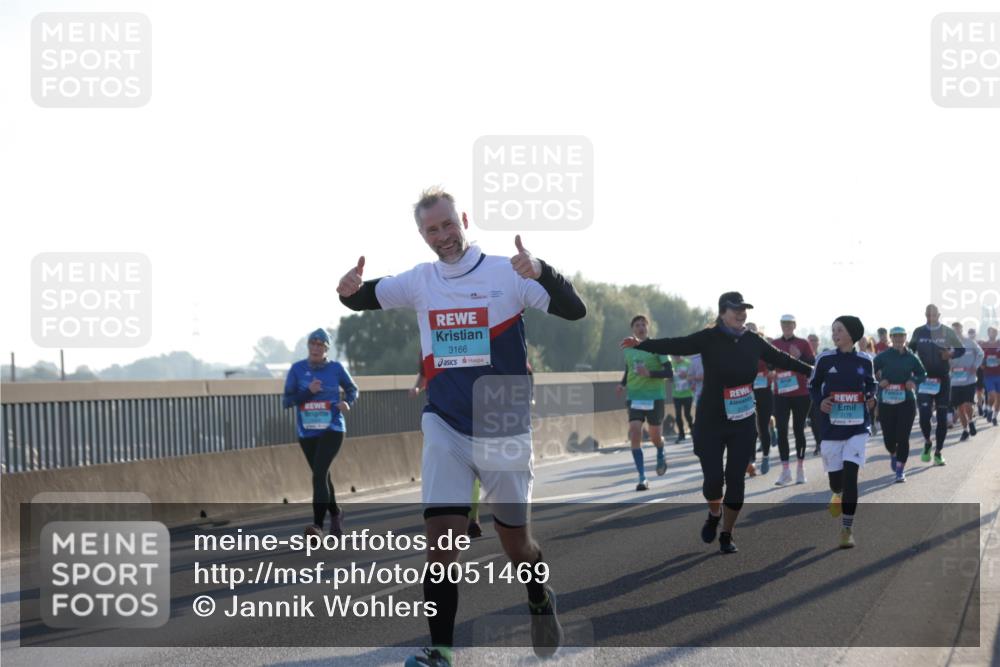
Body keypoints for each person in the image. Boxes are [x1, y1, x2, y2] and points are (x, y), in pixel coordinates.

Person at [338, 187, 585, 666]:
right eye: (432, 229)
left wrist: (543, 270)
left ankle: (538, 595)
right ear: (422, 235)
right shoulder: (420, 281)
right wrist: (347, 292)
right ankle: (442, 650)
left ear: (464, 220)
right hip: (446, 422)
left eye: (449, 224)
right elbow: (363, 298)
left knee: (516, 545)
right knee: (441, 543)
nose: (443, 236)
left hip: (503, 423)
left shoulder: (505, 274)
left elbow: (574, 310)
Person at [621, 292, 812, 554]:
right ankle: (714, 513)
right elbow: (677, 345)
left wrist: (816, 372)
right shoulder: (709, 337)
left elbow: (784, 359)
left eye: (745, 309)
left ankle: (727, 533)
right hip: (711, 420)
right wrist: (642, 343)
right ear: (723, 312)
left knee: (736, 480)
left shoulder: (753, 341)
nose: (742, 313)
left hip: (743, 419)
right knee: (713, 481)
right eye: (736, 310)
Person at [283, 328, 358, 538]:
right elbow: (287, 401)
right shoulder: (297, 369)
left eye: (320, 345)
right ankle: (335, 513)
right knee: (321, 475)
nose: (316, 348)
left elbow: (353, 389)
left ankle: (317, 526)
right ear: (308, 347)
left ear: (326, 349)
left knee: (318, 474)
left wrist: (347, 401)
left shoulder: (335, 368)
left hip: (332, 428)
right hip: (307, 432)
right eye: (312, 344)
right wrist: (309, 392)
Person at [809, 316, 876, 548]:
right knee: (836, 481)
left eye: (840, 330)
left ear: (852, 334)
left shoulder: (865, 360)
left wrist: (870, 397)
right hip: (831, 427)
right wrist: (820, 402)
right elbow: (813, 385)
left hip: (857, 426)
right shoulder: (825, 359)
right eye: (833, 330)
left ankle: (847, 529)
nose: (835, 333)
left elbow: (871, 384)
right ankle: (836, 493)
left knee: (851, 478)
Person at [412, 358, 483, 538]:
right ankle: (457, 521)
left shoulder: (479, 338)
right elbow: (424, 372)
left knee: (473, 471)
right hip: (442, 418)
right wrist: (416, 387)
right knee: (448, 470)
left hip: (475, 415)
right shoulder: (430, 341)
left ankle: (472, 518)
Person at [616, 315, 671, 490]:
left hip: (655, 397)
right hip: (635, 397)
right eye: (637, 325)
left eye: (643, 325)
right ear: (633, 329)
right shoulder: (628, 349)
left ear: (648, 327)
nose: (640, 328)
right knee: (634, 432)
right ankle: (642, 477)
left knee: (655, 436)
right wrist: (622, 384)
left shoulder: (658, 347)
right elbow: (628, 368)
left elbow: (669, 373)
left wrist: (650, 374)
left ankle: (660, 450)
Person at [908, 304, 966, 466]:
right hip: (924, 379)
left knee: (942, 418)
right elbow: (909, 351)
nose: (931, 317)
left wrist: (950, 353)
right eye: (928, 315)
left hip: (943, 379)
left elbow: (961, 349)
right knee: (924, 415)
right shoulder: (919, 331)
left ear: (939, 315)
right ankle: (927, 441)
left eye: (933, 315)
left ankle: (938, 452)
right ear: (925, 315)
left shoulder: (947, 332)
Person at [873, 327, 926, 482]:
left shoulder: (911, 357)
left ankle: (900, 470)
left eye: (901, 336)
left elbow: (922, 373)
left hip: (906, 400)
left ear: (905, 337)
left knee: (903, 437)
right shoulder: (883, 356)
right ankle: (893, 453)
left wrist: (913, 381)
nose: (898, 339)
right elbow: (870, 373)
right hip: (886, 401)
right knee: (889, 438)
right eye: (895, 337)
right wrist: (879, 381)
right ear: (891, 338)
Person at [770, 315, 816, 486]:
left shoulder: (803, 343)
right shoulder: (774, 344)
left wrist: (799, 358)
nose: (787, 326)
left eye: (789, 324)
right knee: (781, 430)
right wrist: (770, 370)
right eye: (784, 324)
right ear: (781, 325)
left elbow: (812, 365)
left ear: (795, 325)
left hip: (801, 393)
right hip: (781, 393)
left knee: (798, 430)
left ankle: (800, 468)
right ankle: (785, 470)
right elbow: (768, 364)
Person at [746, 322, 774, 475]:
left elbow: (774, 365)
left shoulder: (764, 348)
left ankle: (765, 456)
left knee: (763, 426)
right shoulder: (740, 349)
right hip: (747, 393)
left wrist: (772, 372)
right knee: (750, 428)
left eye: (752, 331)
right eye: (747, 330)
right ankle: (751, 460)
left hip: (764, 392)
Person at [949, 322, 984, 441]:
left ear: (961, 330)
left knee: (968, 404)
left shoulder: (970, 342)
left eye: (958, 330)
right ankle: (965, 430)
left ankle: (971, 421)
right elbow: (945, 358)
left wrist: (975, 365)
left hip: (969, 379)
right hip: (955, 380)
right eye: (954, 330)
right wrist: (949, 367)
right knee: (960, 408)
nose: (956, 332)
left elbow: (980, 354)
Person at [670, 354, 695, 444]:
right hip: (676, 394)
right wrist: (670, 377)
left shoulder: (688, 363)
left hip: (687, 394)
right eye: (674, 356)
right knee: (678, 415)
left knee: (687, 414)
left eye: (677, 355)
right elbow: (669, 377)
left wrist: (686, 375)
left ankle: (693, 431)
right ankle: (681, 434)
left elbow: (693, 376)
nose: (676, 357)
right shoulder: (671, 364)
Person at [981, 326, 1000, 426]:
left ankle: (994, 417)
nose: (993, 334)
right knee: (992, 395)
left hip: (999, 374)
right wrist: (982, 364)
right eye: (991, 332)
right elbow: (980, 356)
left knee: (999, 398)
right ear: (988, 333)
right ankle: (988, 410)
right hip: (988, 375)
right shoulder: (984, 344)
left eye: (995, 332)